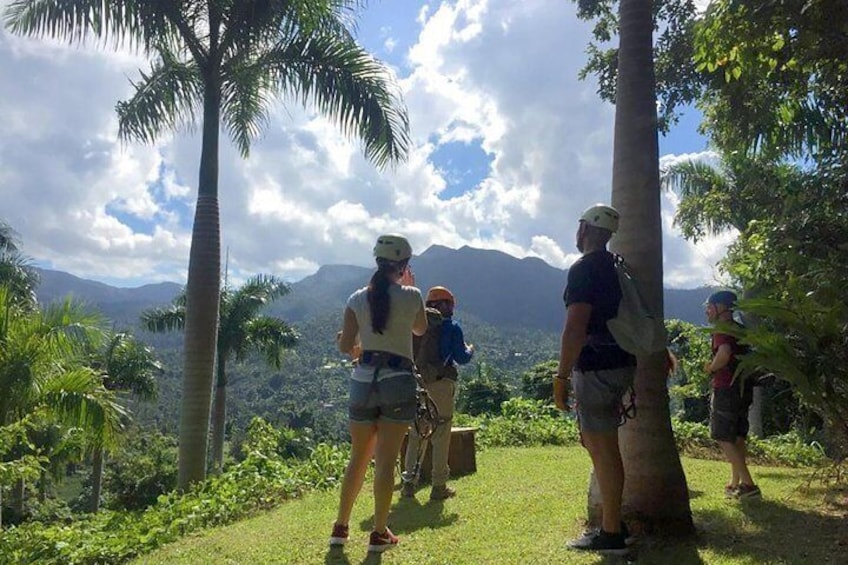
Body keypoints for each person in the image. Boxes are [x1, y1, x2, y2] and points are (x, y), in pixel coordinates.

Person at [330, 234, 428, 553]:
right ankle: (379, 533)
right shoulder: (412, 295)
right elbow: (420, 330)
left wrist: (360, 346)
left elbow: (346, 346)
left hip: (363, 380)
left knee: (358, 457)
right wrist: (411, 287)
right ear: (403, 265)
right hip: (397, 380)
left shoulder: (356, 298)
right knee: (385, 462)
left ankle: (340, 528)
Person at [554, 204, 636, 555]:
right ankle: (615, 522)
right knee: (604, 448)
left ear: (584, 229)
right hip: (621, 362)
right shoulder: (617, 268)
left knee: (602, 451)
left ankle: (612, 533)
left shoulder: (585, 269)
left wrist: (560, 376)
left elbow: (576, 326)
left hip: (597, 367)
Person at [401, 285, 474, 501]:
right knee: (441, 433)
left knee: (417, 434)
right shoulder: (451, 327)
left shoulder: (416, 326)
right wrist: (470, 349)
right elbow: (461, 357)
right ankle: (439, 485)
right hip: (441, 384)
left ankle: (408, 485)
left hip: (416, 384)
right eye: (450, 304)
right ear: (446, 304)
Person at [704, 290, 760, 499]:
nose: (707, 310)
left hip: (727, 386)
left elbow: (724, 354)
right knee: (737, 435)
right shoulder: (739, 329)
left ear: (722, 309)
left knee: (721, 435)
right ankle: (735, 483)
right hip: (744, 388)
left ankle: (748, 484)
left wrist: (711, 368)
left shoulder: (722, 329)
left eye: (710, 306)